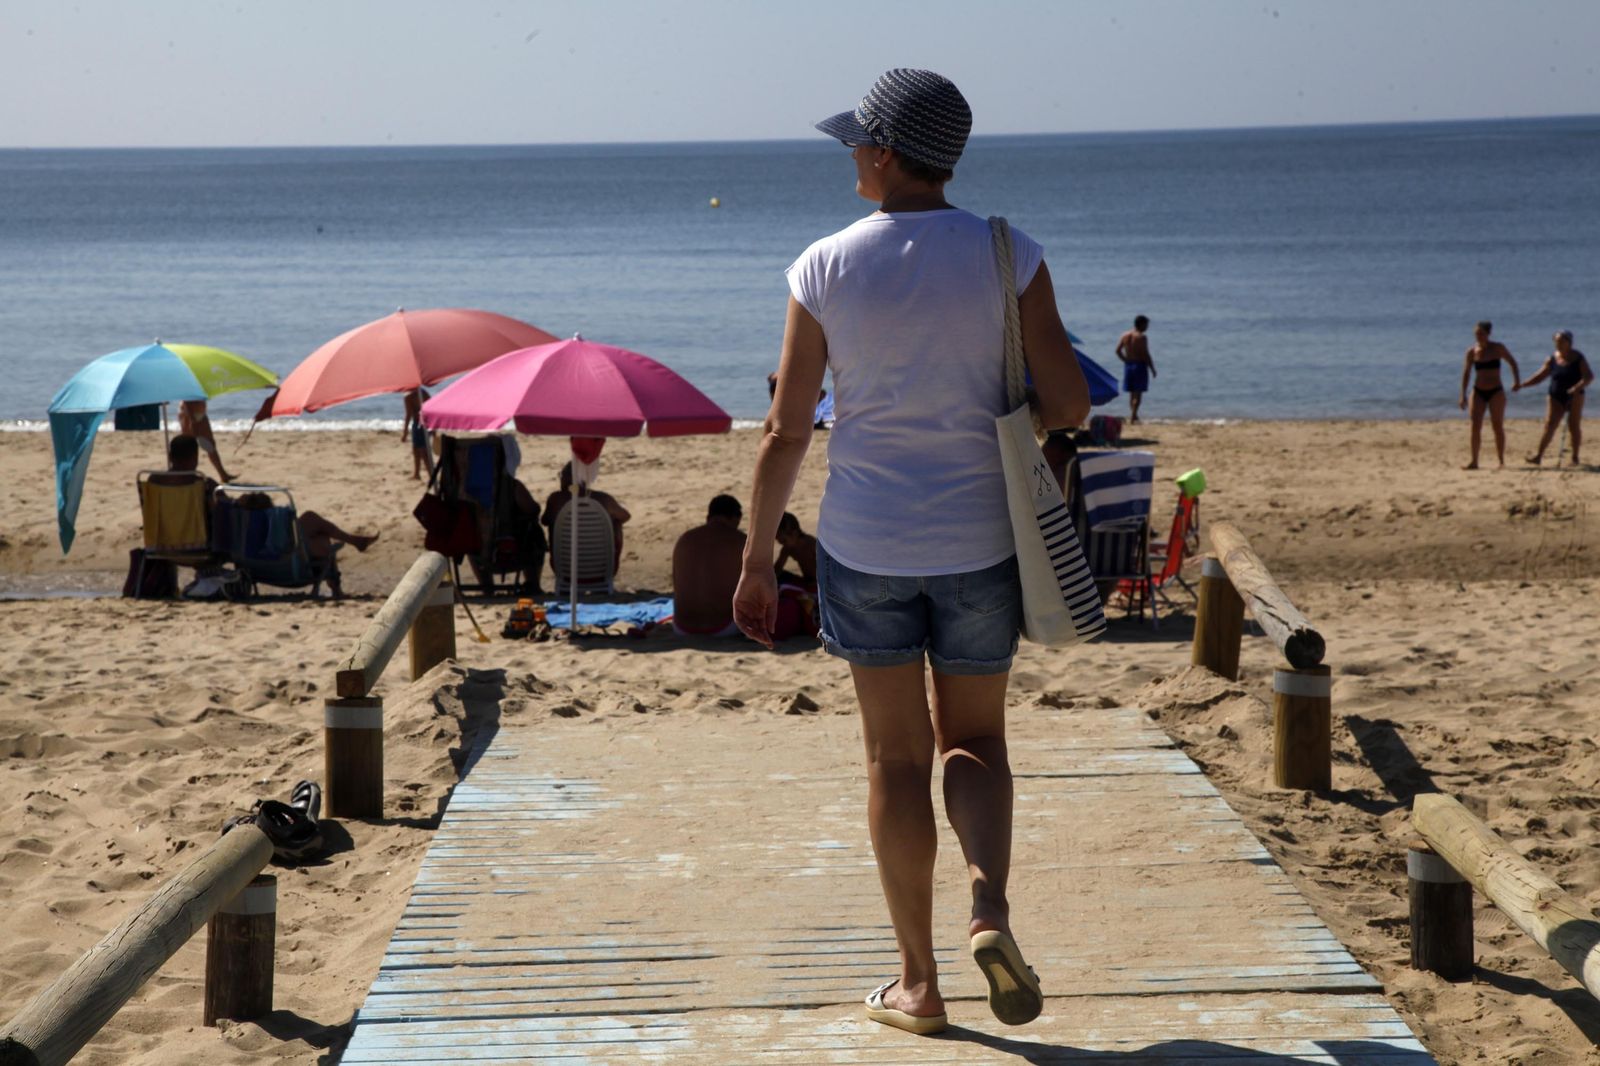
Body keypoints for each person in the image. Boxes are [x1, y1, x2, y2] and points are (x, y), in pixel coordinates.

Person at [732, 69, 1090, 1036]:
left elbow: (784, 430)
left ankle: (919, 986)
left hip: (866, 542)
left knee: (896, 761)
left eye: (858, 140)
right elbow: (1069, 407)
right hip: (983, 541)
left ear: (885, 152)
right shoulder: (1010, 255)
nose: (850, 152)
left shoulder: (823, 266)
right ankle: (989, 910)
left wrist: (759, 555)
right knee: (976, 743)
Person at [671, 495, 747, 637]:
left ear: (709, 516)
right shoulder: (741, 541)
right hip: (723, 628)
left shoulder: (685, 539)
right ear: (736, 518)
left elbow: (676, 583)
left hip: (681, 627)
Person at [541, 462, 631, 579]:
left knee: (553, 523)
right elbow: (626, 516)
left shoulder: (555, 499)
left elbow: (544, 521)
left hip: (565, 570)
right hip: (602, 570)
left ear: (565, 478)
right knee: (616, 522)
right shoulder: (603, 499)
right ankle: (609, 568)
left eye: (561, 475)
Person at [1521, 330, 1593, 466]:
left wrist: (1576, 388)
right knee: (1550, 425)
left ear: (1569, 342)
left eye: (1561, 341)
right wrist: (1524, 384)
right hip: (1555, 395)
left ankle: (1575, 457)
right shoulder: (1552, 358)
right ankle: (1539, 456)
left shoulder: (1578, 357)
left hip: (1575, 395)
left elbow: (1588, 377)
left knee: (1574, 426)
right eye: (1556, 341)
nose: (1558, 344)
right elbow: (1540, 376)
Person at [1458, 320, 1521, 469]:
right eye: (1476, 334)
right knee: (1475, 426)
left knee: (1497, 425)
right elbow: (1466, 373)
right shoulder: (1471, 352)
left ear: (1488, 334)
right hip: (1478, 391)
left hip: (1496, 391)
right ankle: (1474, 461)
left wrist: (1516, 382)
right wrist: (1463, 394)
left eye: (1481, 334)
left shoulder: (1497, 348)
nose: (1478, 336)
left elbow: (1513, 362)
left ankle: (1501, 460)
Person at [178, 400, 235, 483]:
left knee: (209, 445)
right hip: (191, 414)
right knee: (190, 446)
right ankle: (187, 475)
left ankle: (223, 474)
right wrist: (192, 420)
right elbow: (187, 398)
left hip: (197, 412)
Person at [1114, 316, 1155, 423]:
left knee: (1131, 393)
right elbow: (1145, 354)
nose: (1147, 327)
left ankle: (1134, 415)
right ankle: (1133, 416)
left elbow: (1117, 351)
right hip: (1139, 366)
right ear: (1141, 324)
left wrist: (1125, 360)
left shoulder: (1125, 335)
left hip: (1129, 366)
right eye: (1146, 325)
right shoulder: (1141, 337)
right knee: (1138, 393)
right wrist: (1152, 368)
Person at [774, 511, 818, 588]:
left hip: (819, 583)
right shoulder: (787, 548)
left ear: (794, 533)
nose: (781, 544)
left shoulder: (811, 544)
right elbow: (778, 567)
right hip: (806, 581)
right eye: (778, 540)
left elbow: (827, 568)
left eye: (783, 540)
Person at [401, 387, 434, 480]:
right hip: (428, 423)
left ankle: (431, 476)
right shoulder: (423, 392)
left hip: (419, 424)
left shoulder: (408, 396)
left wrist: (405, 432)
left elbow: (408, 415)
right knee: (416, 448)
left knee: (423, 451)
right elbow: (432, 407)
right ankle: (417, 474)